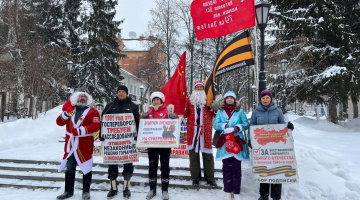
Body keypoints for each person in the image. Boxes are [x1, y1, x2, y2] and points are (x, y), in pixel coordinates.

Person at [56, 89, 101, 200]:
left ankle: (86, 192)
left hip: (85, 144)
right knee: (70, 168)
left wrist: (81, 130)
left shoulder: (93, 112)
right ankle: (68, 191)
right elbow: (59, 122)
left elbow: (96, 126)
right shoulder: (70, 110)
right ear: (76, 98)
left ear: (88, 99)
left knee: (86, 168)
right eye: (80, 96)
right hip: (71, 145)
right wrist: (66, 114)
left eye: (84, 97)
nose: (82, 98)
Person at [250, 90, 294, 200]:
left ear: (271, 99)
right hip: (262, 146)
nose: (265, 99)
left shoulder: (278, 111)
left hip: (276, 145)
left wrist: (289, 127)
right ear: (260, 99)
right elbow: (252, 127)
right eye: (263, 97)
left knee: (276, 168)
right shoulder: (256, 112)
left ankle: (276, 195)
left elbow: (282, 125)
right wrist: (251, 140)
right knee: (263, 168)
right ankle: (263, 195)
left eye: (267, 97)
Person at [100, 85, 140, 199]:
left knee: (128, 165)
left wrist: (137, 135)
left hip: (128, 142)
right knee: (112, 165)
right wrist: (101, 134)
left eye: (123, 92)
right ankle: (113, 187)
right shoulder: (110, 105)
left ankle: (126, 187)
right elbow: (103, 120)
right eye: (119, 92)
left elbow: (138, 122)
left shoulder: (132, 106)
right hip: (112, 143)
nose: (121, 93)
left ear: (126, 93)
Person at [213, 91, 250, 200]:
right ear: (224, 100)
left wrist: (237, 128)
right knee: (226, 168)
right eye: (227, 98)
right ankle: (227, 190)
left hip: (237, 141)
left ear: (235, 99)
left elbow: (246, 124)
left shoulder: (240, 111)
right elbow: (215, 124)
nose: (229, 99)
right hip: (225, 143)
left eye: (231, 98)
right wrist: (223, 126)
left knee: (236, 168)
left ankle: (237, 191)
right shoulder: (220, 112)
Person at [140, 92, 177, 200]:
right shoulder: (149, 112)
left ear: (161, 101)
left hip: (165, 144)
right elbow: (143, 127)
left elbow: (174, 124)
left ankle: (165, 190)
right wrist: (142, 118)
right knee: (152, 166)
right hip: (152, 144)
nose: (156, 101)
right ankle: (152, 189)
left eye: (158, 99)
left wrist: (174, 118)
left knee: (165, 167)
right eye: (154, 99)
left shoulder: (167, 111)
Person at [183, 80, 217, 186]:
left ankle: (210, 178)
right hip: (192, 131)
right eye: (197, 87)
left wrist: (215, 107)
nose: (199, 89)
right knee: (193, 155)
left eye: (200, 87)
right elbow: (185, 114)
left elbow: (214, 114)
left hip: (205, 131)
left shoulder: (208, 100)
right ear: (194, 88)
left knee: (207, 155)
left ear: (203, 89)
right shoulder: (189, 99)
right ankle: (195, 178)